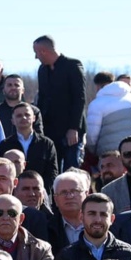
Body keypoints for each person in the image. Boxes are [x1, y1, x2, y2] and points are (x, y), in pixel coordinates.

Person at [32, 36, 87, 171]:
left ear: (44, 51)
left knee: (71, 170)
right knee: (52, 169)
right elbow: (42, 99)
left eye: (36, 52)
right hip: (50, 130)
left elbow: (79, 98)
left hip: (69, 131)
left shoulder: (72, 66)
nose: (36, 57)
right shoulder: (42, 70)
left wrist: (74, 128)